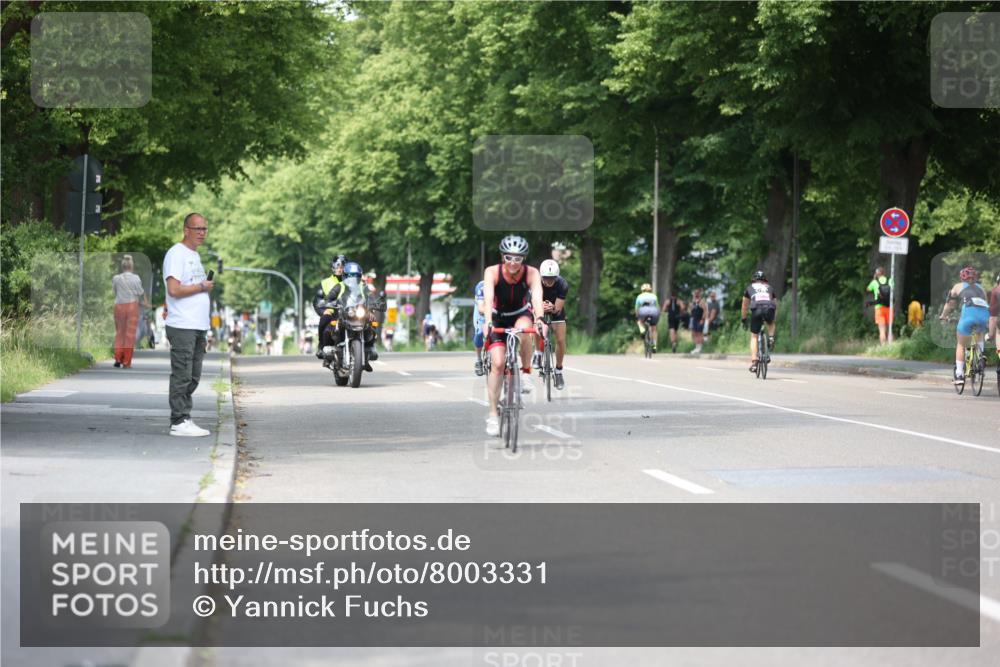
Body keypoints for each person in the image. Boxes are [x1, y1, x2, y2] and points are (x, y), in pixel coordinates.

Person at [482, 235, 546, 437]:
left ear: (523, 259)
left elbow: (537, 298)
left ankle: (526, 373)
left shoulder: (532, 273)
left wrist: (541, 320)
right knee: (498, 364)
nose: (512, 262)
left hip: (520, 313)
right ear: (503, 257)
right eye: (509, 257)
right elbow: (488, 297)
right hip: (498, 317)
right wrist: (487, 322)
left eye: (517, 258)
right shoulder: (492, 272)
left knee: (526, 331)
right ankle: (493, 414)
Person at [163, 213, 213, 437]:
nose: (202, 232)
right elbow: (174, 289)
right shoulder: (177, 254)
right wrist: (202, 287)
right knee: (182, 374)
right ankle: (178, 420)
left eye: (204, 229)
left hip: (196, 325)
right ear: (186, 230)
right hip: (183, 325)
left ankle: (185, 417)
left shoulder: (194, 255)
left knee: (193, 375)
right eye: (197, 228)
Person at [939, 266, 990, 384]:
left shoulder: (958, 286)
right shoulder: (981, 289)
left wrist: (943, 316)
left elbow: (949, 305)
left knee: (961, 344)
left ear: (962, 278)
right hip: (984, 317)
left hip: (968, 316)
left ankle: (959, 375)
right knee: (979, 332)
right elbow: (985, 305)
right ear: (975, 278)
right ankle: (981, 355)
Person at [111, 254, 149, 368]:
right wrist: (145, 302)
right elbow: (140, 293)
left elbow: (115, 292)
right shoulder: (136, 278)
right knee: (129, 335)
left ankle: (118, 357)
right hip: (132, 307)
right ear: (131, 267)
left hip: (119, 306)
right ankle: (126, 362)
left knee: (120, 334)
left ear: (122, 267)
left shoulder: (116, 278)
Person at [539, 259, 569, 389]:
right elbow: (531, 303)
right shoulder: (536, 283)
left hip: (555, 308)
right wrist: (540, 307)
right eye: (546, 278)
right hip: (538, 307)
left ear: (556, 277)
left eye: (552, 278)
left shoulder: (562, 284)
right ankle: (537, 354)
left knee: (561, 340)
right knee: (535, 326)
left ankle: (558, 371)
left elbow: (558, 308)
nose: (549, 281)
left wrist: (552, 308)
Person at [741, 270, 778, 374]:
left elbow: (744, 305)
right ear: (765, 280)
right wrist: (774, 317)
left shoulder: (750, 287)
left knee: (754, 336)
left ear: (754, 280)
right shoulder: (769, 287)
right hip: (769, 308)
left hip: (756, 309)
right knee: (771, 322)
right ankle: (770, 337)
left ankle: (754, 362)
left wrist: (743, 318)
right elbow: (775, 304)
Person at [315, 255, 346, 361]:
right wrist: (324, 311)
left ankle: (366, 350)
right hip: (333, 313)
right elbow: (317, 300)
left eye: (342, 266)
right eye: (337, 266)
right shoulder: (325, 283)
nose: (340, 269)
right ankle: (321, 346)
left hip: (350, 312)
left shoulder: (356, 281)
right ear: (333, 267)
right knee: (324, 320)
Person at [866, 267, 894, 345]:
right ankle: (891, 348)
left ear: (877, 274)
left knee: (882, 330)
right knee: (889, 329)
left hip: (879, 308)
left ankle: (883, 348)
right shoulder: (890, 280)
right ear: (884, 273)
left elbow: (868, 289)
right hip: (889, 307)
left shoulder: (875, 282)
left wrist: (874, 279)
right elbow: (892, 289)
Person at [634, 283, 660, 352]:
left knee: (640, 322)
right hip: (654, 312)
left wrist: (637, 316)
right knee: (654, 328)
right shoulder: (654, 296)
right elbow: (657, 307)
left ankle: (642, 331)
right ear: (650, 290)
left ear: (642, 290)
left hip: (643, 311)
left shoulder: (639, 296)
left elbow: (637, 308)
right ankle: (654, 346)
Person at [473, 280, 487, 376]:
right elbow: (481, 309)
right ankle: (478, 360)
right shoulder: (481, 286)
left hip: (496, 309)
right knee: (480, 333)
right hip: (481, 310)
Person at [688, 288, 707, 354]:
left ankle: (700, 348)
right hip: (694, 319)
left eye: (697, 293)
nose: (695, 294)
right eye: (694, 293)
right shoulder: (693, 302)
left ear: (699, 294)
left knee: (699, 333)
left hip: (700, 319)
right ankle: (697, 347)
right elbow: (690, 311)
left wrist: (703, 319)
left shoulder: (702, 301)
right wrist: (691, 305)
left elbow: (705, 311)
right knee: (694, 333)